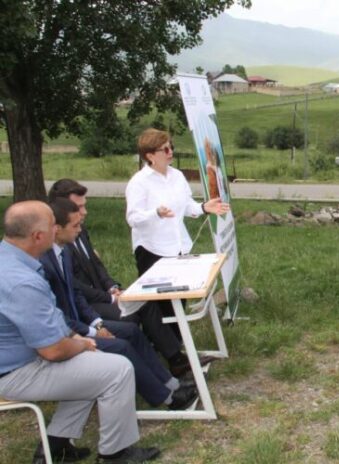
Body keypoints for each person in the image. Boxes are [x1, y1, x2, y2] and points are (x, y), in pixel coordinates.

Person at [0, 201, 160, 463]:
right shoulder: (22, 282)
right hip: (15, 371)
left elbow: (47, 318)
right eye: (53, 224)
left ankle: (56, 447)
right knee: (116, 370)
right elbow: (53, 350)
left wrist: (76, 338)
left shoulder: (9, 259)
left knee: (92, 366)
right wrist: (83, 344)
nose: (57, 229)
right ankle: (115, 453)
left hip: (19, 358)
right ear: (37, 236)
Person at [41, 198, 197, 411]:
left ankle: (172, 384)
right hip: (64, 333)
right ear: (57, 229)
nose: (80, 230)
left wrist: (96, 324)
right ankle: (168, 399)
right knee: (121, 345)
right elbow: (54, 313)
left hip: (80, 322)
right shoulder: (43, 262)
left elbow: (75, 294)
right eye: (75, 226)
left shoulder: (63, 252)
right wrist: (90, 330)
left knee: (131, 331)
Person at [47, 178, 211, 377]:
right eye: (79, 207)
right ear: (61, 209)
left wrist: (111, 286)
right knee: (133, 315)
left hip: (99, 296)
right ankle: (163, 362)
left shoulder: (79, 231)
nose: (84, 212)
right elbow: (73, 286)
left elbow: (96, 265)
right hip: (86, 305)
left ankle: (174, 358)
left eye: (84, 206)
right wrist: (109, 298)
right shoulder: (55, 244)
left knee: (144, 303)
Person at [125, 128, 229, 322]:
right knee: (160, 304)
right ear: (150, 156)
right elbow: (133, 218)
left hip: (179, 246)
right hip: (152, 249)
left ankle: (179, 342)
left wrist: (205, 207)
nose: (170, 152)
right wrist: (156, 213)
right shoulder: (139, 182)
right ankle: (162, 345)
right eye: (164, 150)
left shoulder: (177, 176)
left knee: (179, 299)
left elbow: (187, 205)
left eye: (170, 147)